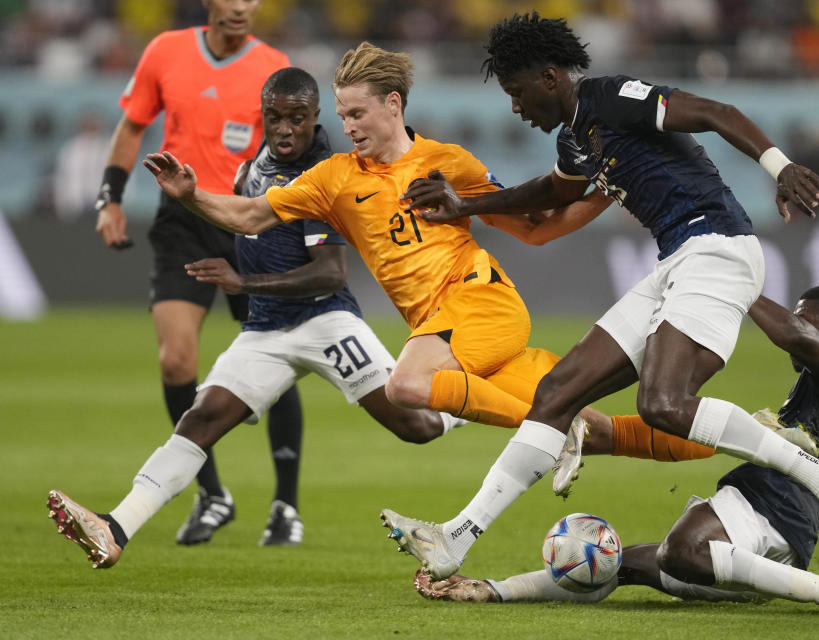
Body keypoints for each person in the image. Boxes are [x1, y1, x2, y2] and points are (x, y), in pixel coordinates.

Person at [387, 12, 819, 579]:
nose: (517, 108)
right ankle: (457, 538)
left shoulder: (612, 97)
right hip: (676, 260)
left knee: (662, 404)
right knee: (556, 392)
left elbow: (716, 113)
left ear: (549, 77)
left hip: (718, 247)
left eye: (518, 94)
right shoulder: (575, 136)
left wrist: (779, 165)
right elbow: (551, 191)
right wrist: (467, 205)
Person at [139, 43, 714, 472]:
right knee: (599, 426)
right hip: (450, 331)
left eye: (356, 114)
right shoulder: (333, 179)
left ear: (392, 105)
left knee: (407, 386)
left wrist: (602, 191)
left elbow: (536, 231)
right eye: (341, 116)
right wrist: (192, 196)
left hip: (479, 303)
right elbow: (249, 215)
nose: (347, 127)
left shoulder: (449, 163)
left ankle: (551, 433)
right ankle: (748, 439)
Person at [45, 65, 473, 567]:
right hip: (265, 329)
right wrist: (191, 199)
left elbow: (331, 273)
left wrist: (243, 283)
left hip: (324, 321)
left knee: (415, 426)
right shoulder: (253, 167)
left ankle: (479, 397)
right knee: (200, 419)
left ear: (316, 117)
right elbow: (244, 224)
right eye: (276, 117)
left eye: (298, 118)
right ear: (263, 116)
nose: (286, 129)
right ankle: (115, 527)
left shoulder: (329, 178)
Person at [414, 285, 819, 618]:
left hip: (773, 503)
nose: (795, 330)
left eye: (806, 320)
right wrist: (492, 590)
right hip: (787, 535)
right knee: (614, 562)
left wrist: (735, 284)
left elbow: (796, 337)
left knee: (682, 550)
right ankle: (494, 589)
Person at [91, 0, 295, 545]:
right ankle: (212, 493)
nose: (240, 6)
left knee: (280, 355)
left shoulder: (273, 67)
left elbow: (289, 151)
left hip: (246, 219)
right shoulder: (166, 50)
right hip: (181, 219)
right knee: (175, 357)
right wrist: (109, 198)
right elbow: (132, 126)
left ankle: (286, 504)